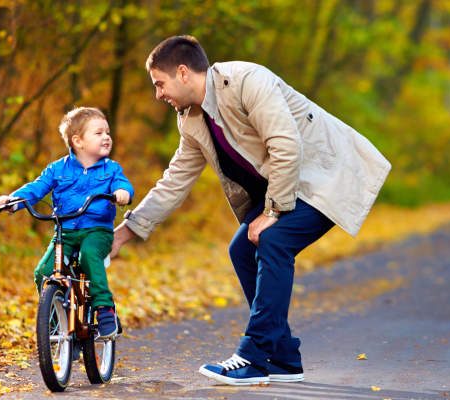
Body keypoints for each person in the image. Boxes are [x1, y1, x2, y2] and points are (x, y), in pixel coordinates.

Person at [110, 35, 390, 385]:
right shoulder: (191, 120)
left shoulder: (245, 81)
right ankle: (284, 358)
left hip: (323, 176)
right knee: (241, 248)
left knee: (272, 240)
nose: (158, 94)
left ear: (183, 73)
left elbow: (286, 144)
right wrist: (128, 230)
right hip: (287, 186)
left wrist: (271, 212)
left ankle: (254, 354)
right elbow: (175, 181)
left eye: (159, 84)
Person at [0, 106, 134, 339]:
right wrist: (13, 200)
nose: (106, 137)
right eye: (98, 133)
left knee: (90, 255)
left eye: (107, 132)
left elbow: (124, 185)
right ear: (78, 141)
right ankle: (54, 317)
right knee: (44, 272)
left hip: (97, 231)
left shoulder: (111, 169)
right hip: (65, 232)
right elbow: (36, 188)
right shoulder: (57, 169)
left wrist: (122, 193)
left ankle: (104, 308)